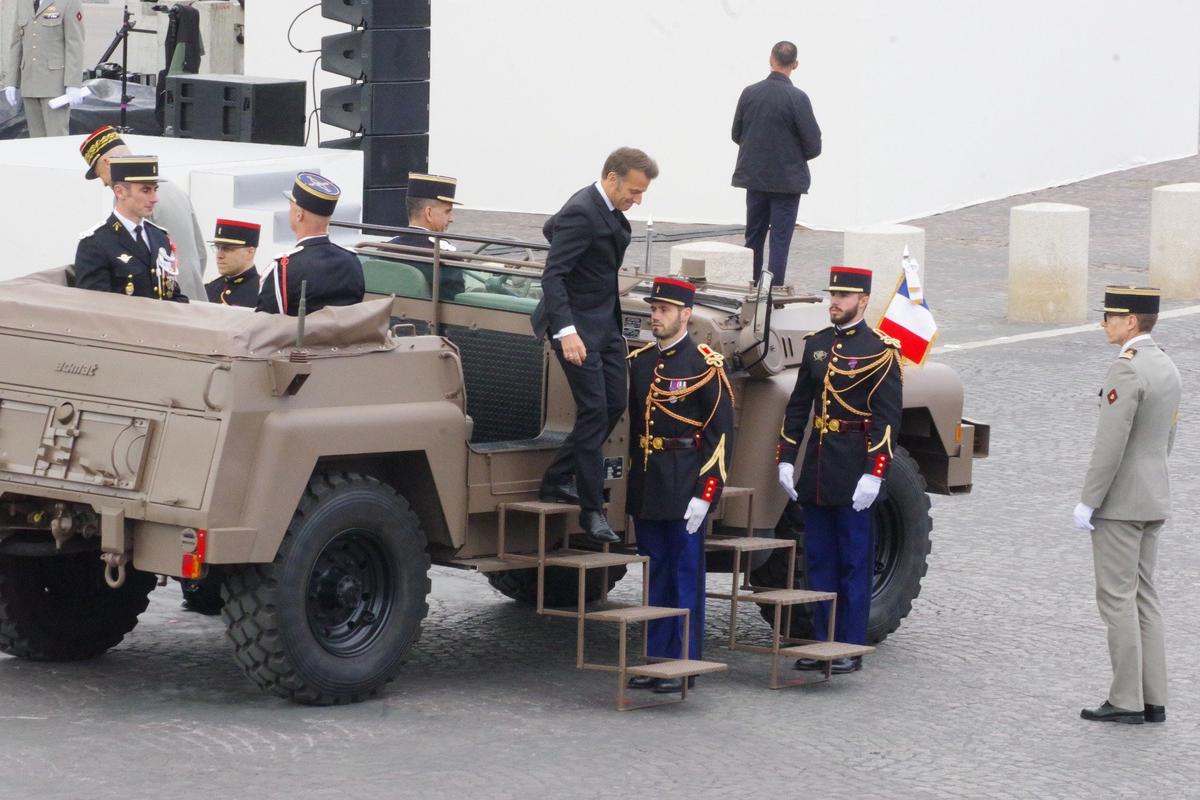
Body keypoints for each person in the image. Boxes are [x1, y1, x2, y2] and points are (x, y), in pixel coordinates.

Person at [776, 266, 901, 673]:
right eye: (833, 295)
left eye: (844, 297)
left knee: (853, 562)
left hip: (855, 468)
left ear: (863, 301)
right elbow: (799, 406)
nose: (835, 302)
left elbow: (887, 420)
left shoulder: (880, 350)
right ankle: (821, 642)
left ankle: (849, 645)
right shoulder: (817, 345)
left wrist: (874, 472)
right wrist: (785, 457)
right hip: (818, 467)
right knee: (819, 561)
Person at [531, 147, 658, 544]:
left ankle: (556, 477)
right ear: (611, 178)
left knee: (613, 405)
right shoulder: (582, 212)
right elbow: (553, 276)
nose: (637, 200)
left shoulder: (603, 213)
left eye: (642, 193)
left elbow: (551, 228)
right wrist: (566, 331)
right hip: (575, 327)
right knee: (592, 411)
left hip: (604, 324)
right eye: (633, 191)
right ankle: (591, 509)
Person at [1074, 286, 1180, 725]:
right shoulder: (1167, 366)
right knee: (1144, 598)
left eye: (1111, 317)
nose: (1105, 323)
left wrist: (1088, 500)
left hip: (1121, 505)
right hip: (1153, 495)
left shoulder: (1126, 370)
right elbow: (1165, 440)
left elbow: (1109, 446)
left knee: (1116, 600)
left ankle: (1125, 700)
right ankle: (1153, 697)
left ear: (1131, 322)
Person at [626, 277, 735, 694]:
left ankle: (684, 661)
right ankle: (656, 660)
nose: (655, 316)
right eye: (654, 309)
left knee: (685, 576)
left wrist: (706, 494)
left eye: (664, 310)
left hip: (685, 484)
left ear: (685, 315)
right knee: (655, 575)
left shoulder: (705, 365)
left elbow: (720, 435)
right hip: (650, 484)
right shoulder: (639, 362)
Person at [80, 125, 208, 301]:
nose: (102, 182)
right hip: (192, 299)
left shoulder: (130, 199)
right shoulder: (174, 189)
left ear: (107, 164)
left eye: (98, 173)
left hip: (167, 309)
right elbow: (201, 253)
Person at [731, 40, 822, 287]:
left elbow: (736, 134)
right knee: (780, 239)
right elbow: (814, 145)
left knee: (754, 236)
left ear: (770, 59)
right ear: (796, 64)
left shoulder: (750, 93)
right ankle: (773, 292)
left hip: (755, 178)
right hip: (787, 182)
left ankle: (749, 285)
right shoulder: (798, 98)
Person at [74, 155, 188, 302]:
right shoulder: (95, 243)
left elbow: (172, 294)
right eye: (146, 190)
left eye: (155, 189)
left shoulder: (159, 236)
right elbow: (96, 308)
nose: (155, 198)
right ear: (120, 192)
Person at [257, 172, 364, 315]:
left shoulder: (283, 268)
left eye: (291, 207)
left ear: (299, 214)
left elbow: (265, 325)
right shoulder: (352, 262)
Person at [3, 0, 84, 138]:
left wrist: (73, 83)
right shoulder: (23, 3)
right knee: (36, 140)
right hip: (29, 82)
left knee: (56, 138)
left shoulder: (68, 2)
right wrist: (11, 81)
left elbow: (75, 43)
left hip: (54, 84)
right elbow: (17, 43)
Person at [389, 172, 464, 299]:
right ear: (429, 213)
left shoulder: (385, 251)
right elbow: (458, 302)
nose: (451, 219)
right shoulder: (444, 258)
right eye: (447, 212)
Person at [205, 219, 261, 306]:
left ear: (250, 252)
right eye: (217, 248)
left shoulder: (263, 292)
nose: (219, 255)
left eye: (227, 249)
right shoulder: (210, 288)